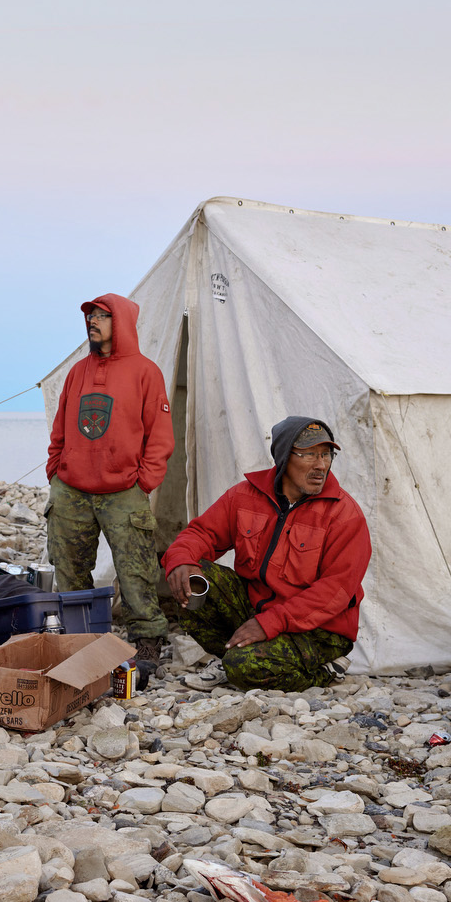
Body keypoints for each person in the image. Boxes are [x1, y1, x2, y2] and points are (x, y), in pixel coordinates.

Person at [158, 416, 370, 692]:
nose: (321, 465)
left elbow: (335, 591)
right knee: (190, 575)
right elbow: (201, 534)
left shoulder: (344, 515)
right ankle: (229, 656)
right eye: (308, 455)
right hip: (258, 612)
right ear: (283, 457)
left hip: (319, 630)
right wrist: (179, 560)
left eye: (326, 455)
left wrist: (272, 622)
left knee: (243, 668)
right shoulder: (244, 496)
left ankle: (323, 672)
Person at [44, 293, 176, 659]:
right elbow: (61, 427)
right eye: (91, 316)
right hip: (71, 488)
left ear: (122, 323)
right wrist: (55, 469)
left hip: (123, 491)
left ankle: (148, 638)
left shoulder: (145, 372)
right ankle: (77, 636)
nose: (93, 321)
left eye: (103, 316)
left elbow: (160, 435)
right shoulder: (77, 371)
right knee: (68, 565)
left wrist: (143, 482)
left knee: (136, 569)